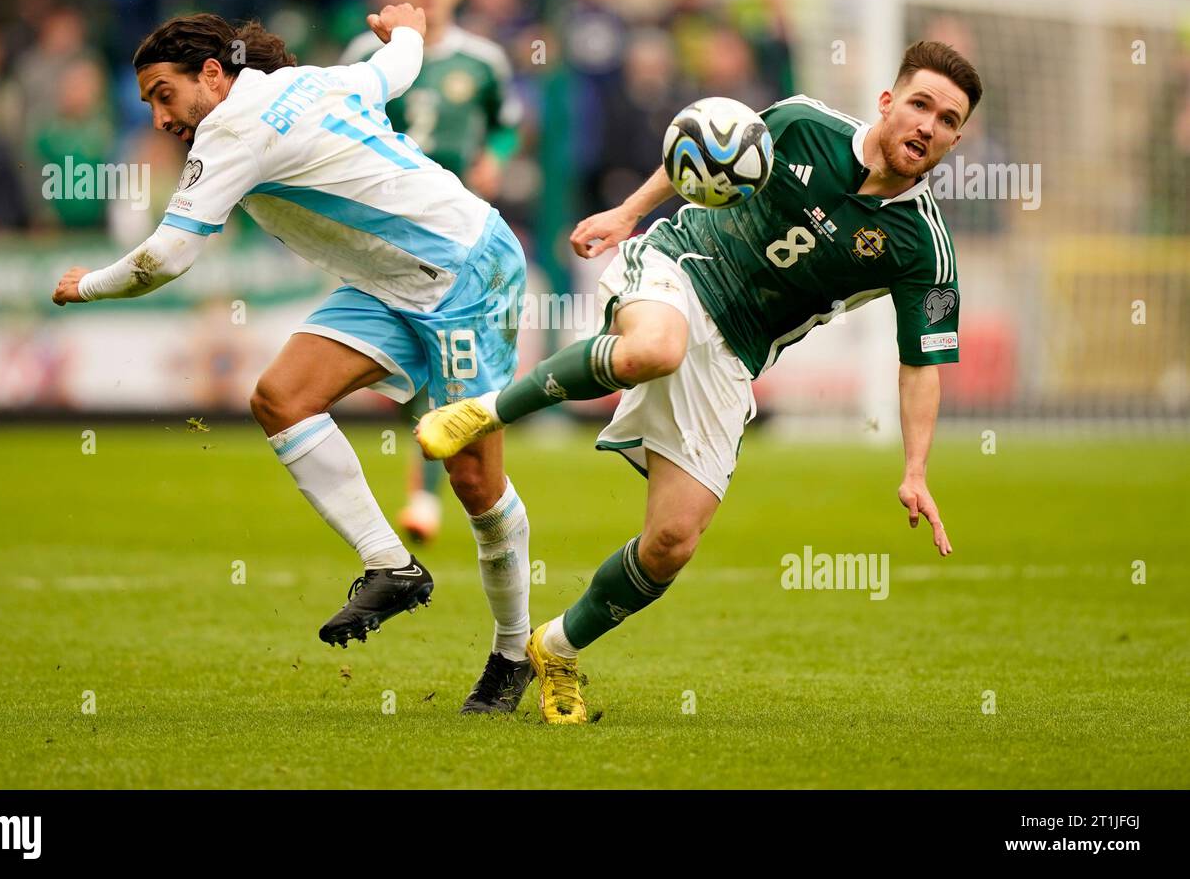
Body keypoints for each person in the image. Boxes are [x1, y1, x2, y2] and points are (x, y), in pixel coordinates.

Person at [417, 41, 980, 723]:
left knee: (672, 543)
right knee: (654, 347)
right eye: (919, 104)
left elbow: (921, 362)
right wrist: (627, 214)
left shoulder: (924, 246)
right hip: (682, 263)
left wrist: (916, 468)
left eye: (947, 120)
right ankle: (487, 411)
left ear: (955, 139)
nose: (927, 125)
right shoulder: (804, 124)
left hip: (738, 353)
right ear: (888, 102)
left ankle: (556, 649)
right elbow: (705, 147)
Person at [52, 4, 535, 714]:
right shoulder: (312, 80)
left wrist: (85, 285)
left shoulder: (230, 132)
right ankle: (390, 565)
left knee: (472, 480)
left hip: (466, 271)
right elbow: (392, 70)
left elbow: (166, 258)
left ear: (212, 75)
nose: (161, 118)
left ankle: (514, 652)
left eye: (164, 95)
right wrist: (406, 28)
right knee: (282, 396)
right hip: (391, 282)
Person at [340, 0, 521, 544]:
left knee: (445, 356)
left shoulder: (483, 61)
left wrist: (493, 158)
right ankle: (439, 482)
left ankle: (429, 491)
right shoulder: (366, 53)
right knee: (420, 360)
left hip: (455, 228)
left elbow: (504, 125)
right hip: (381, 229)